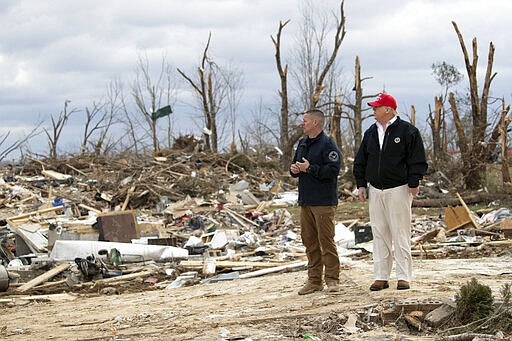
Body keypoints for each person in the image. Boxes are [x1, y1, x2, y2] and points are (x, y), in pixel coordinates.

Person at [353, 93, 428, 291]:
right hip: (376, 189)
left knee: (400, 232)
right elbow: (361, 159)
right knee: (379, 232)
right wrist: (361, 183)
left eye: (376, 108)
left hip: (399, 188)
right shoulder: (370, 132)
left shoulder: (407, 131)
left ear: (388, 109)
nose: (373, 111)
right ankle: (381, 276)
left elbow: (417, 158)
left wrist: (414, 181)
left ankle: (403, 276)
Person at [290, 109, 342, 295]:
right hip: (306, 200)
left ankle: (332, 280)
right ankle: (314, 281)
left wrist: (310, 168)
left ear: (315, 123)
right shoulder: (302, 144)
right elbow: (296, 166)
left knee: (326, 241)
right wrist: (295, 169)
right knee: (309, 241)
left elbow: (332, 171)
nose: (302, 124)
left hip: (323, 201)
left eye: (305, 121)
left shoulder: (328, 145)